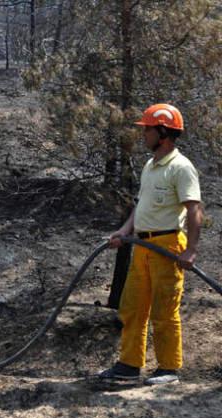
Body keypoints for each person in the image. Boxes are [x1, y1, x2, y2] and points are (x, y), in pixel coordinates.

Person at [99, 104, 203, 385]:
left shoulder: (181, 168)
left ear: (163, 132)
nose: (143, 134)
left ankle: (168, 369)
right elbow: (140, 207)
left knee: (163, 310)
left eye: (147, 129)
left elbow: (194, 210)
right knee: (133, 307)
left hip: (167, 246)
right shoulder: (150, 165)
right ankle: (129, 365)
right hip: (141, 247)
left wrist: (191, 250)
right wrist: (123, 232)